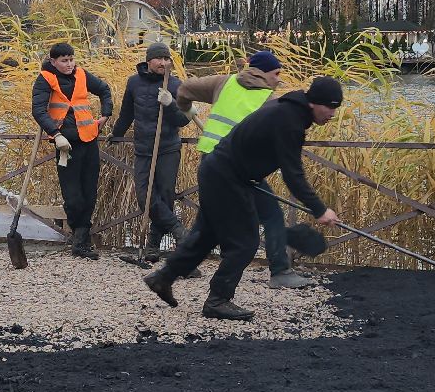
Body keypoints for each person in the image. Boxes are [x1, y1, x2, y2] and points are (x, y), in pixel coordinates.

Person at [145, 77, 343, 320]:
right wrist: (320, 210)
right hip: (226, 177)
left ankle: (162, 278)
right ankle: (218, 300)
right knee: (245, 243)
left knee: (207, 236)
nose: (333, 113)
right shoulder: (290, 121)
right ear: (314, 103)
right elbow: (293, 174)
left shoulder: (288, 109)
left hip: (219, 171)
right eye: (330, 107)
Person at [175, 50, 316, 288]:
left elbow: (184, 89)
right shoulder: (271, 101)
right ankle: (280, 271)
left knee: (208, 216)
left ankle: (182, 266)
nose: (278, 79)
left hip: (210, 158)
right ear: (262, 72)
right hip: (238, 167)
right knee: (271, 214)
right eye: (276, 73)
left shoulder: (224, 82)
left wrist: (186, 110)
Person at [30, 41, 112, 258]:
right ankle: (79, 236)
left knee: (89, 193)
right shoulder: (45, 79)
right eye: (64, 61)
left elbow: (104, 89)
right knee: (73, 196)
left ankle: (81, 242)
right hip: (66, 145)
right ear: (53, 61)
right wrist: (55, 135)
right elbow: (38, 110)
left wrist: (105, 115)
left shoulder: (82, 75)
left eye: (71, 59)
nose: (69, 64)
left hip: (89, 139)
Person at [110, 42, 191, 260]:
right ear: (149, 61)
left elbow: (184, 119)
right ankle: (178, 229)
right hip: (143, 149)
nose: (164, 63)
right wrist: (116, 134)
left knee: (164, 197)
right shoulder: (134, 83)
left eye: (167, 59)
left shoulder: (175, 84)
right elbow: (127, 112)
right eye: (160, 59)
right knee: (144, 196)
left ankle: (153, 248)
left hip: (167, 148)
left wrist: (171, 103)